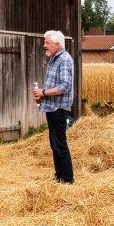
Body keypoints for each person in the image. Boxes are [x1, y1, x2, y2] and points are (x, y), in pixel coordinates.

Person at [32, 30, 74, 185]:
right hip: (52, 107)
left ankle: (67, 179)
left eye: (47, 42)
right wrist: (42, 94)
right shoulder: (54, 58)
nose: (44, 45)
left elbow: (65, 86)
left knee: (59, 144)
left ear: (57, 44)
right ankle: (59, 176)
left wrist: (43, 92)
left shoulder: (64, 59)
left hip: (58, 108)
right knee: (54, 144)